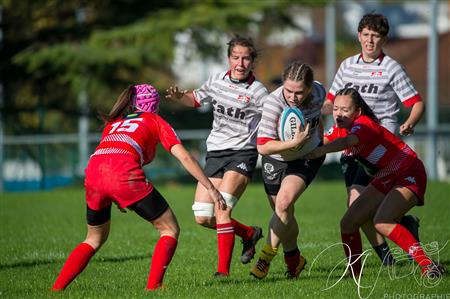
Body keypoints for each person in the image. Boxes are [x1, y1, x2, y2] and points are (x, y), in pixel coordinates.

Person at [51, 84, 227, 291]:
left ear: (132, 103)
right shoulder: (155, 120)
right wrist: (211, 189)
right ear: (155, 105)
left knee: (93, 238)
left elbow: (110, 157)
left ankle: (56, 289)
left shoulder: (114, 123)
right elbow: (185, 157)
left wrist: (115, 193)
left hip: (93, 175)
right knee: (169, 229)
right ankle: (154, 286)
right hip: (122, 176)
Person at [305, 87, 444, 278]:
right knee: (348, 223)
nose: (338, 114)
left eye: (345, 110)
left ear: (358, 112)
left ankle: (428, 265)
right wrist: (301, 141)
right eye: (336, 108)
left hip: (408, 170)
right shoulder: (340, 126)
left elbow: (348, 142)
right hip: (386, 175)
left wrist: (320, 151)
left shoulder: (364, 125)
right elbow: (322, 141)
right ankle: (355, 276)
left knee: (382, 221)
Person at [321, 12, 425, 265]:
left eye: (375, 36)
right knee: (356, 207)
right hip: (352, 147)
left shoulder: (390, 68)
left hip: (380, 148)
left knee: (361, 205)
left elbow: (416, 103)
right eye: (366, 35)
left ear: (383, 39)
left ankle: (391, 250)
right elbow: (331, 101)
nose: (370, 41)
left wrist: (410, 122)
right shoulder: (347, 65)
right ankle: (391, 250)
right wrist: (310, 113)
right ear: (359, 36)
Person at [165, 35, 268, 276]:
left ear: (252, 62)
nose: (240, 63)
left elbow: (273, 117)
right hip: (216, 153)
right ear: (228, 58)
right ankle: (249, 233)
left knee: (222, 210)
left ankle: (222, 273)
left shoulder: (258, 92)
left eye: (245, 58)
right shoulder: (216, 81)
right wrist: (182, 97)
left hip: (243, 153)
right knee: (203, 217)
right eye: (235, 58)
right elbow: (196, 99)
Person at [250, 61, 326, 279]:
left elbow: (324, 111)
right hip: (275, 157)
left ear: (310, 88)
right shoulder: (273, 103)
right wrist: (293, 143)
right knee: (283, 213)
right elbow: (263, 145)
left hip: (307, 156)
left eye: (299, 92)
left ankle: (265, 258)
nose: (293, 97)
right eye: (288, 90)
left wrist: (321, 139)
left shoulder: (319, 92)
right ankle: (294, 260)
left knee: (283, 203)